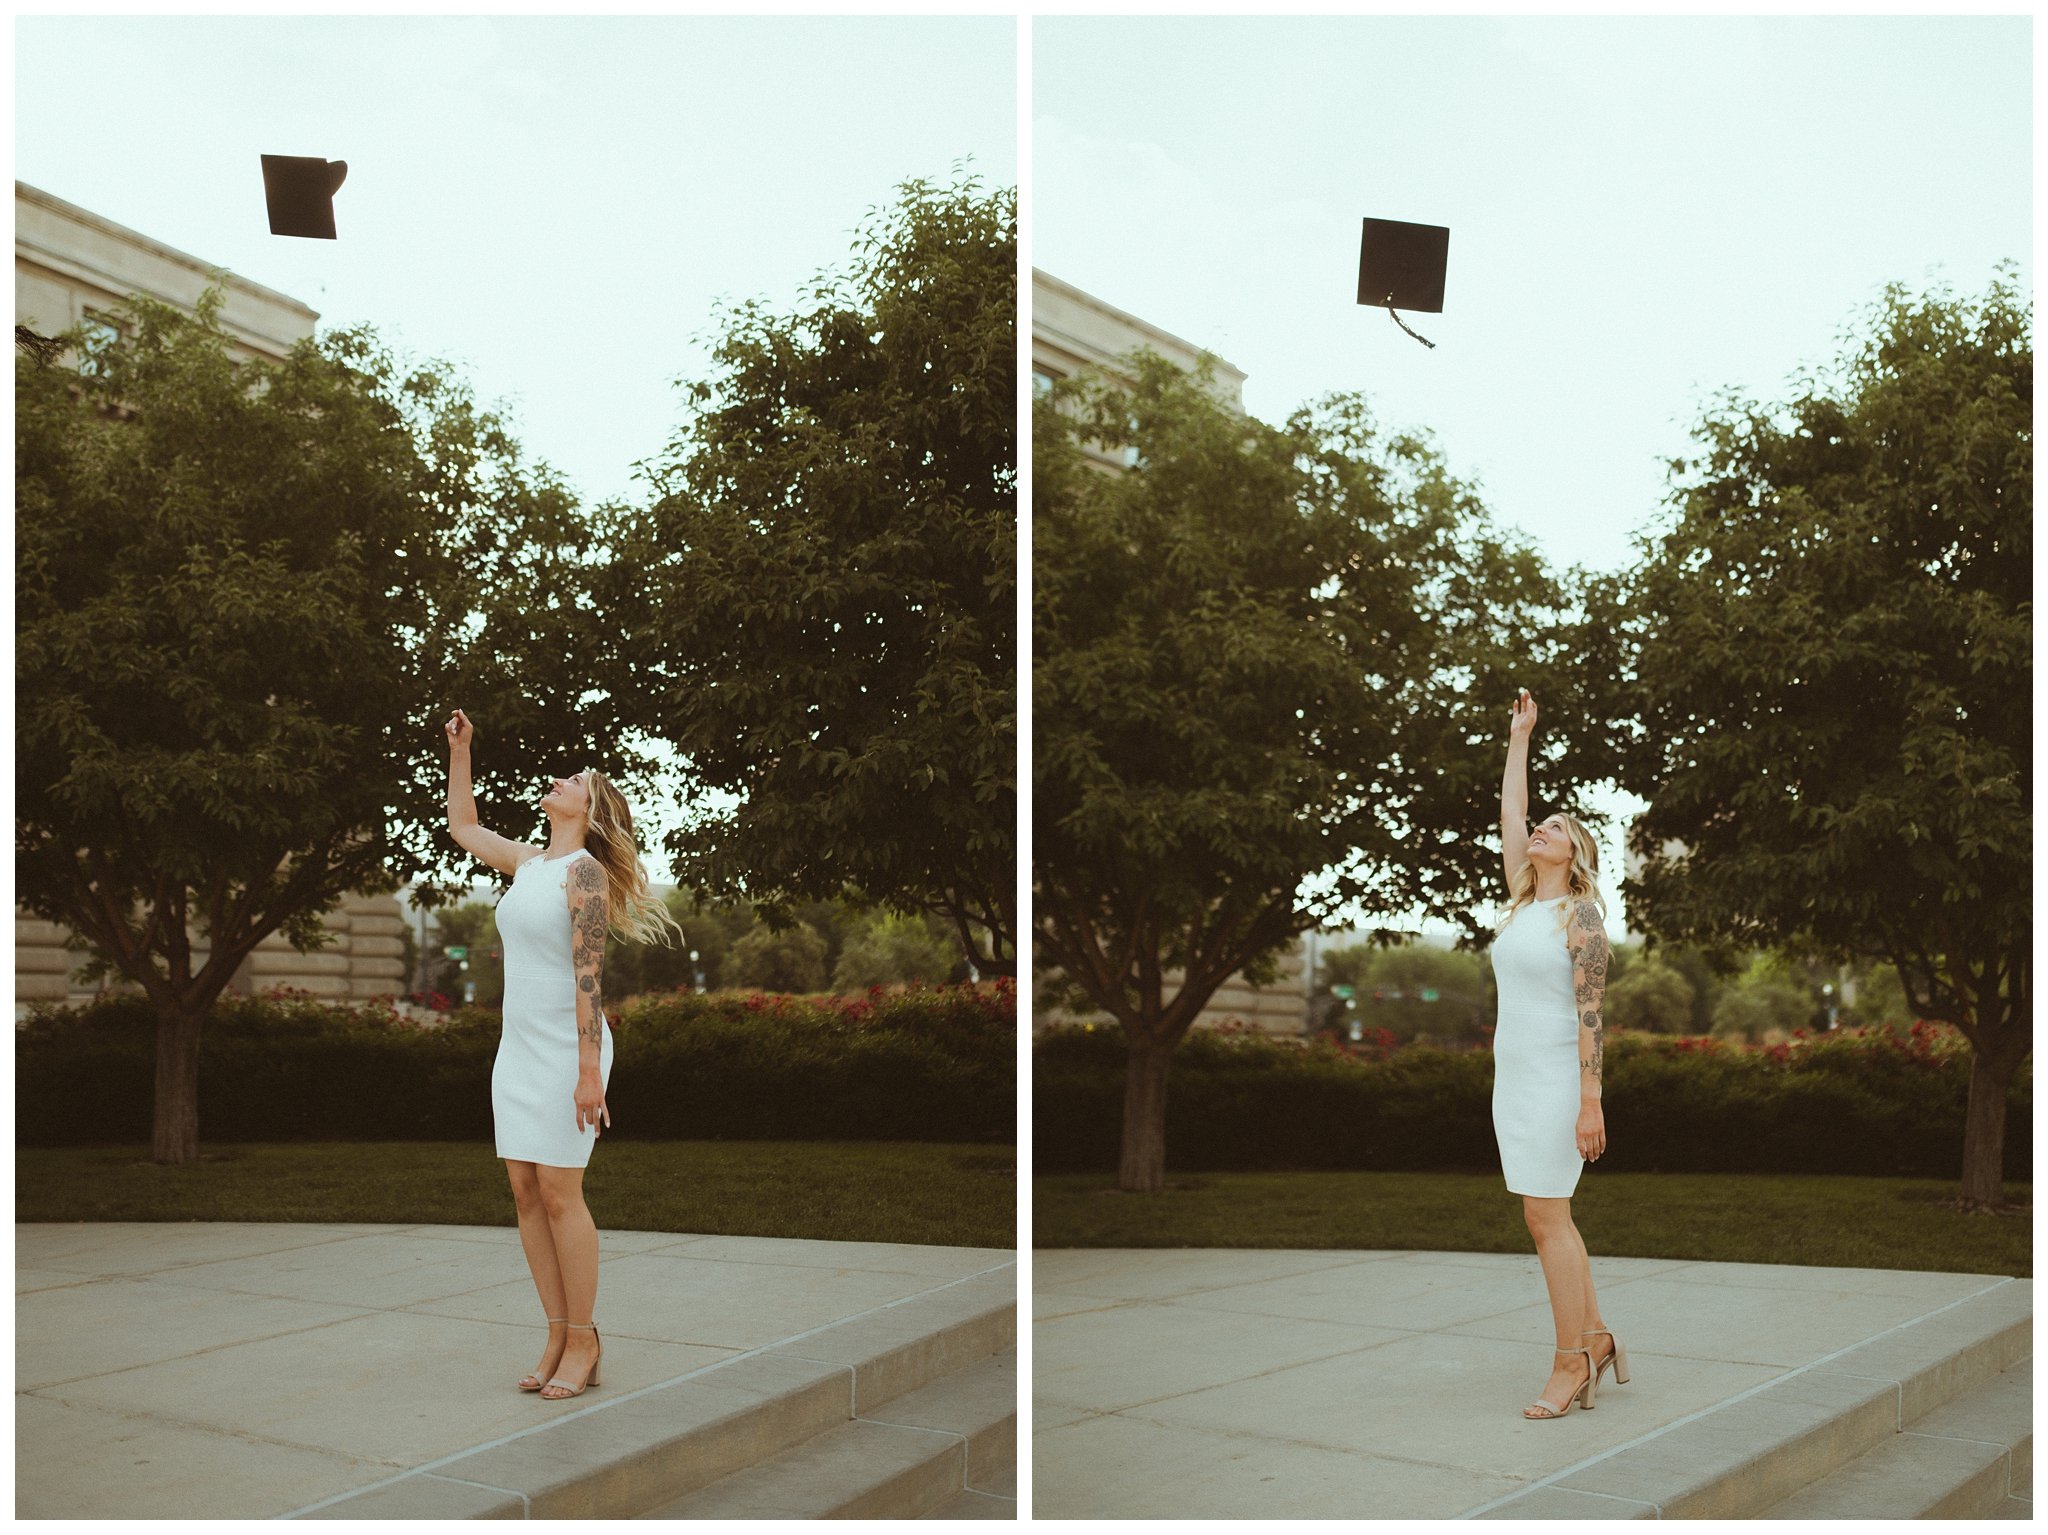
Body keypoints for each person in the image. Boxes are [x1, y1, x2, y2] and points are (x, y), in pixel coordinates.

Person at [442, 708, 680, 1401]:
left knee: (559, 1192)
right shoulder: (528, 863)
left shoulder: (585, 877)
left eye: (572, 779)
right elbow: (462, 827)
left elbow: (589, 979)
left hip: (568, 1052)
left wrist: (587, 1073)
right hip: (516, 1051)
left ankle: (584, 1337)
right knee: (523, 1193)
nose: (557, 780)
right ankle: (554, 1330)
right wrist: (463, 750)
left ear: (591, 807)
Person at [1492, 688, 1629, 1420]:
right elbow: (1511, 814)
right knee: (1547, 1217)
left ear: (1574, 852)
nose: (1538, 829)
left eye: (1554, 827)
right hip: (1511, 1082)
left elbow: (1590, 1015)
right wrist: (1521, 738)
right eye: (1539, 826)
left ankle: (1571, 1361)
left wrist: (1590, 1100)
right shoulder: (1524, 901)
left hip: (1556, 1083)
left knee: (1549, 1217)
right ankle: (1598, 1336)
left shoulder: (1581, 916)